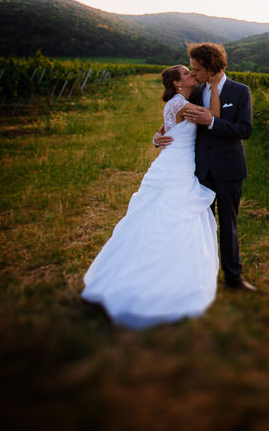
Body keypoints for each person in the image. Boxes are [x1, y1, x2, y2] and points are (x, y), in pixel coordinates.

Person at [82, 64, 219, 328]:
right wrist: (214, 87)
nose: (192, 74)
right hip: (177, 167)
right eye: (187, 73)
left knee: (158, 216)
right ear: (178, 83)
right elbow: (212, 116)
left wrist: (157, 137)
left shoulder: (177, 102)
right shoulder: (182, 105)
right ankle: (163, 282)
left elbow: (166, 130)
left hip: (174, 163)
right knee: (173, 217)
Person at [154, 42, 255, 291]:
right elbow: (173, 121)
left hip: (230, 168)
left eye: (197, 69)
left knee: (228, 224)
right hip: (200, 169)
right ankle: (199, 273)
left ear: (211, 68)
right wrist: (157, 137)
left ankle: (234, 277)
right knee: (199, 224)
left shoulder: (240, 92)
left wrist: (212, 122)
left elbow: (245, 130)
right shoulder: (196, 91)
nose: (193, 74)